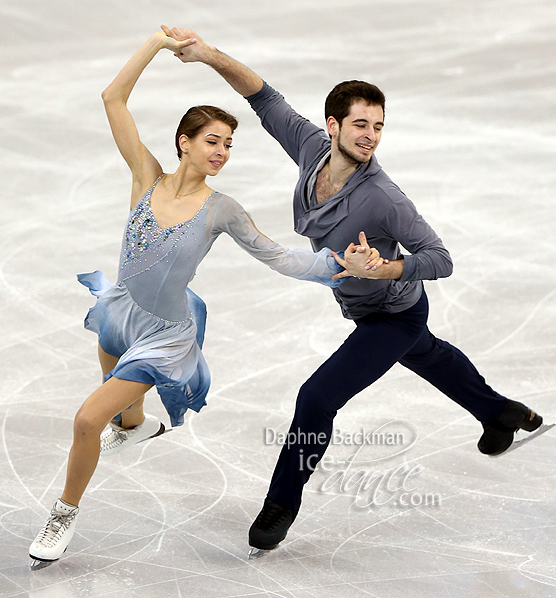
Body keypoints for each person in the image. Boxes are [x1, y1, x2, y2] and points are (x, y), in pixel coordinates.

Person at [160, 26, 545, 553]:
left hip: (392, 313)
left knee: (316, 396)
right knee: (428, 355)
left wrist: (383, 270)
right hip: (365, 308)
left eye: (379, 127)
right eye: (360, 124)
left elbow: (441, 259)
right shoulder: (311, 148)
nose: (370, 135)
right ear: (333, 125)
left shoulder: (385, 199)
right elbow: (261, 96)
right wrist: (205, 55)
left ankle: (280, 505)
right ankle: (500, 412)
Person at [28, 29, 382, 566]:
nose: (222, 152)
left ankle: (62, 515)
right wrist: (154, 44)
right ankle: (137, 425)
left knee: (86, 421)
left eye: (228, 144)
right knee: (123, 411)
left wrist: (338, 266)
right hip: (119, 311)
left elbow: (279, 256)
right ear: (184, 143)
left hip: (165, 335)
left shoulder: (222, 209)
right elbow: (112, 99)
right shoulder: (145, 177)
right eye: (213, 140)